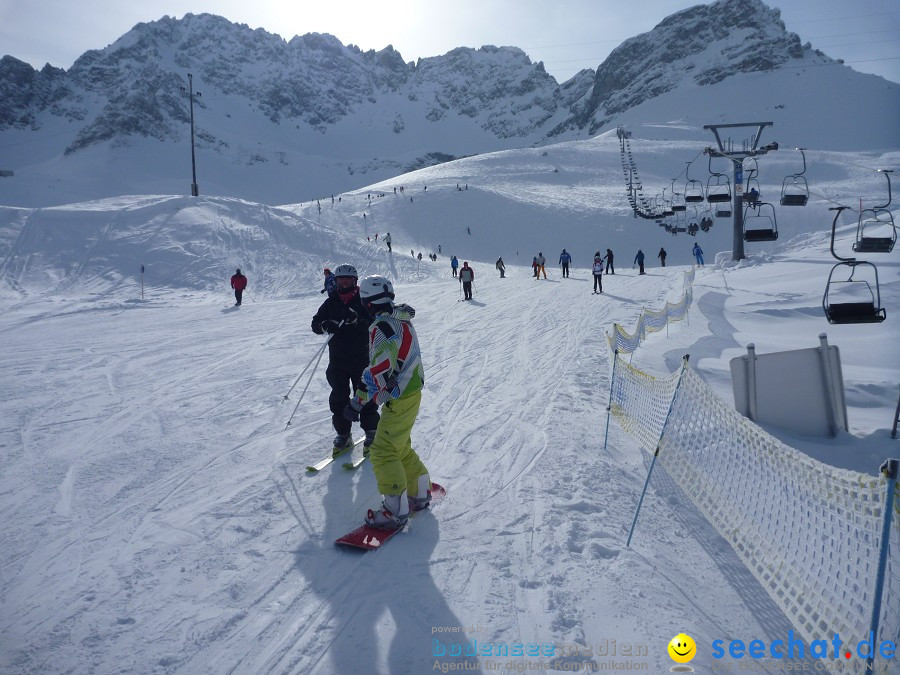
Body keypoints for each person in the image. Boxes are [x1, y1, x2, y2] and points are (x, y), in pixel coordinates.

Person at [344, 275, 431, 530]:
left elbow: (380, 369)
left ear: (368, 304)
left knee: (382, 451)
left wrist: (358, 401)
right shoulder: (400, 320)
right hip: (411, 391)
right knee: (399, 447)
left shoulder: (382, 328)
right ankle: (420, 491)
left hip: (400, 396)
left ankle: (395, 510)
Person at [311, 264, 380, 453]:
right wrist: (325, 324)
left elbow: (376, 322)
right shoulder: (331, 302)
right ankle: (343, 434)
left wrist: (358, 319)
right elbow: (315, 323)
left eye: (348, 279)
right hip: (338, 359)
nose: (344, 281)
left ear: (355, 281)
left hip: (362, 358)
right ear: (336, 281)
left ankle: (372, 431)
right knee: (338, 397)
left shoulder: (364, 300)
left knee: (364, 395)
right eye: (341, 279)